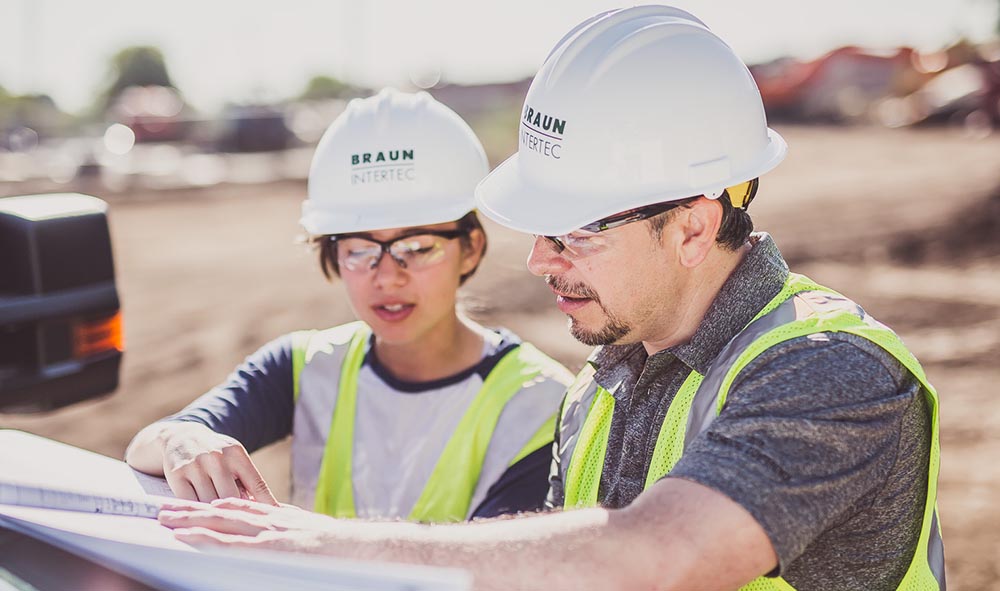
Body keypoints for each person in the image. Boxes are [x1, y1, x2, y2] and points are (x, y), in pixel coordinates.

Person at [156, 7, 945, 591]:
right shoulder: (601, 383)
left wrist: (312, 541)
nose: (537, 260)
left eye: (574, 233)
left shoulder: (831, 373)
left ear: (695, 227)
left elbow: (655, 555)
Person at [127, 88, 573, 523]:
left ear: (471, 248)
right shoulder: (302, 366)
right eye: (360, 249)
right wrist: (180, 436)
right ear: (332, 253)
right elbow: (149, 444)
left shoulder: (539, 401)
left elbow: (495, 565)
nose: (387, 276)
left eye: (417, 246)